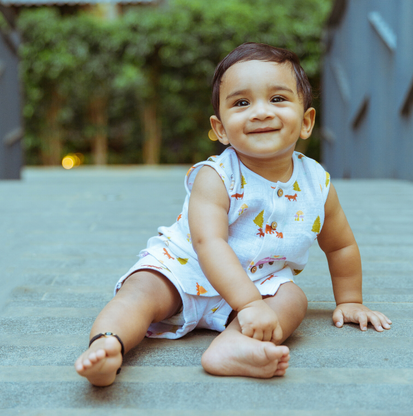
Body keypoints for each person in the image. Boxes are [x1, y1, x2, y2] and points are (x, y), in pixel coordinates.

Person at [75, 42, 392, 387]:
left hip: (260, 281)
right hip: (185, 269)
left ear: (306, 121)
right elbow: (209, 243)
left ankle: (233, 346)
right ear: (221, 128)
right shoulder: (216, 177)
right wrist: (249, 303)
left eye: (278, 99)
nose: (260, 112)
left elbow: (340, 245)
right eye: (242, 103)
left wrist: (350, 301)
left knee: (292, 299)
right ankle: (108, 344)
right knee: (140, 291)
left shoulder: (317, 183)